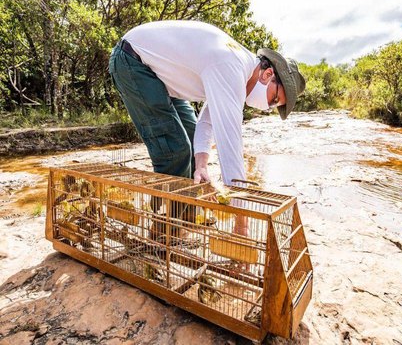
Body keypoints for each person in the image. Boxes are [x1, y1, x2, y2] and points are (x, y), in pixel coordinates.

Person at [108, 20, 305, 239]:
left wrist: (201, 165)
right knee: (176, 150)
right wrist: (242, 226)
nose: (267, 106)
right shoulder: (230, 66)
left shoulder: (236, 70)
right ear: (267, 75)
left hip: (159, 76)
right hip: (133, 62)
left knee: (192, 142)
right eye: (274, 99)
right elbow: (230, 147)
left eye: (273, 106)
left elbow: (205, 123)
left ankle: (187, 215)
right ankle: (162, 235)